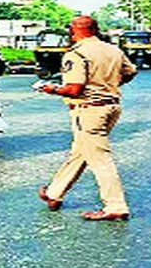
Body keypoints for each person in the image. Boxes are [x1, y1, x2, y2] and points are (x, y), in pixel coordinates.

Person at [37, 15, 137, 221]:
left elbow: (74, 89)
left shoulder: (76, 53)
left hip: (88, 110)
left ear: (73, 31)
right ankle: (54, 193)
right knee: (81, 152)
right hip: (111, 107)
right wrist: (109, 84)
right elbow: (130, 72)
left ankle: (115, 206)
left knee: (100, 159)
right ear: (96, 29)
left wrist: (51, 89)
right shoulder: (113, 49)